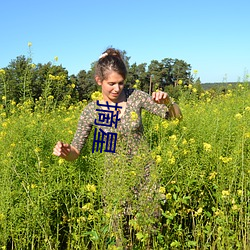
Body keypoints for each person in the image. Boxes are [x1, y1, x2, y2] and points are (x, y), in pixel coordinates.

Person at [53, 47, 182, 247]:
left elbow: (175, 118)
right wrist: (65, 152)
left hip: (146, 177)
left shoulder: (135, 97)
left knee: (150, 236)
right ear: (99, 81)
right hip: (115, 182)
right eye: (111, 83)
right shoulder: (91, 111)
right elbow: (76, 151)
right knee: (120, 239)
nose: (117, 88)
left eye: (121, 83)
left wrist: (169, 102)